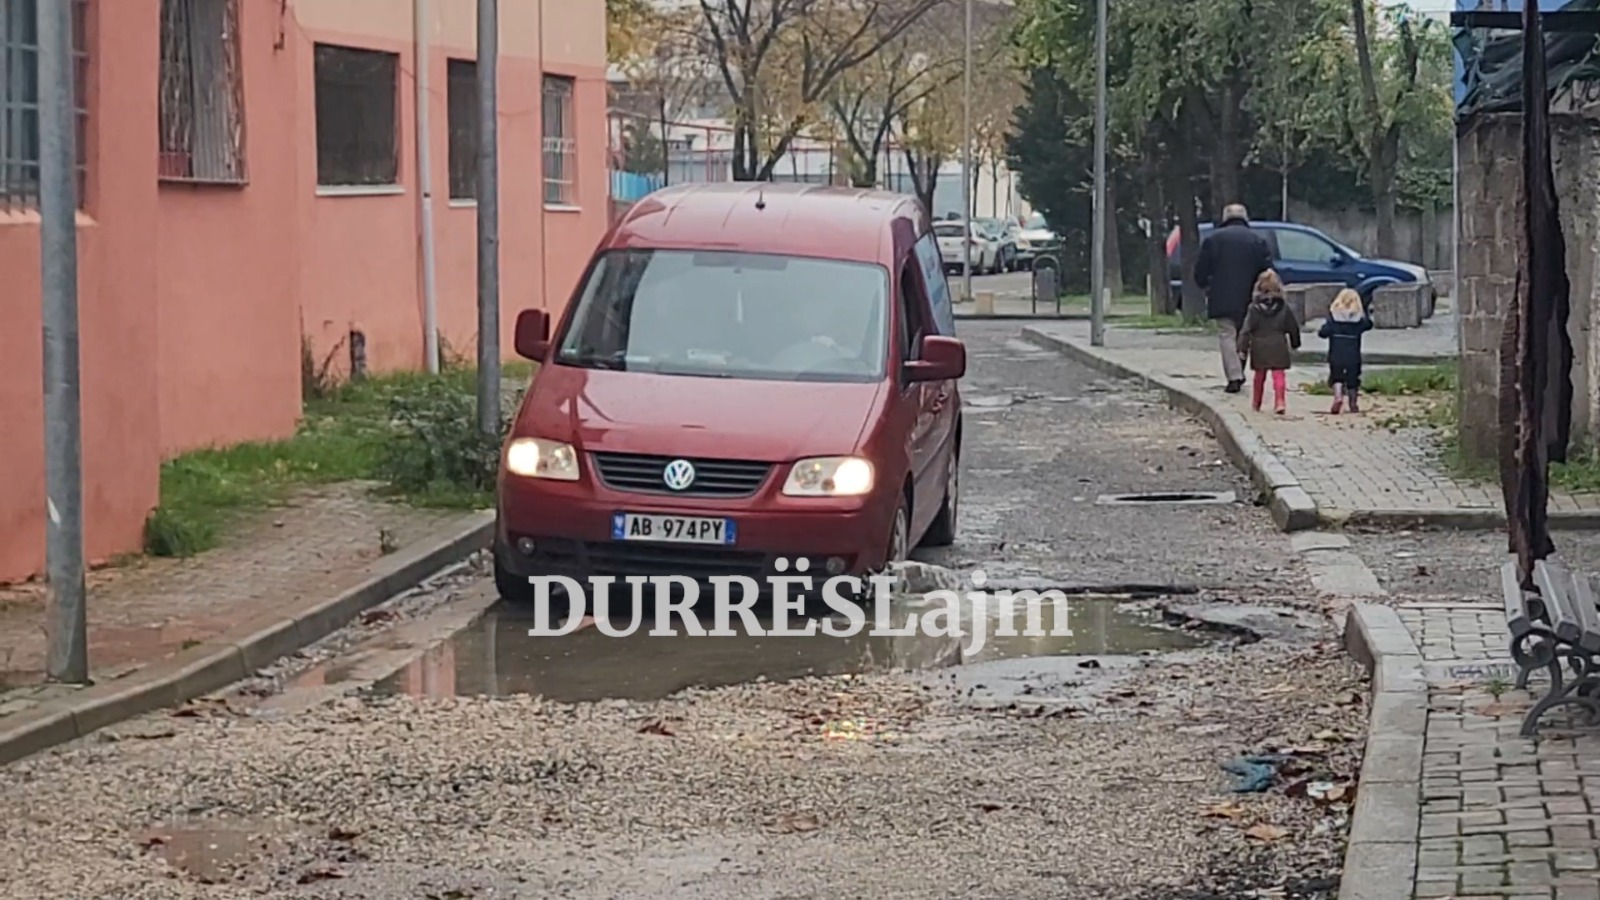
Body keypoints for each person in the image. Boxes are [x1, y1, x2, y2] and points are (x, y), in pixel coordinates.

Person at [1194, 203, 1274, 394]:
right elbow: (1267, 271)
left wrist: (1205, 285)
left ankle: (1234, 376)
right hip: (1250, 297)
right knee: (1245, 335)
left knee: (1227, 335)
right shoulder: (1257, 241)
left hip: (1221, 296)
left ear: (1225, 218)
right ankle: (1240, 368)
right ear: (1245, 217)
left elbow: (1201, 270)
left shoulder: (1213, 240)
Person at [1237, 270, 1301, 414]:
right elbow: (1293, 327)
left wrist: (1242, 347)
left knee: (1259, 376)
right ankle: (1280, 401)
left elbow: (1246, 329)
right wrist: (1295, 343)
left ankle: (1256, 402)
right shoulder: (1283, 307)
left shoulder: (1254, 308)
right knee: (1279, 374)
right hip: (1278, 344)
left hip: (1259, 344)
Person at [1319, 288, 1373, 414]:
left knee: (1336, 376)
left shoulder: (1333, 319)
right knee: (1353, 378)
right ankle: (1353, 403)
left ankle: (1338, 397)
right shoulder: (1359, 320)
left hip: (1336, 353)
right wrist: (1364, 312)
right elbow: (1368, 325)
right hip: (1353, 355)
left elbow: (1323, 333)